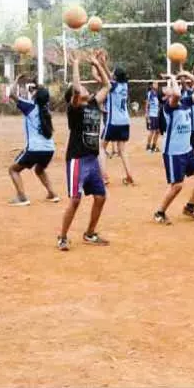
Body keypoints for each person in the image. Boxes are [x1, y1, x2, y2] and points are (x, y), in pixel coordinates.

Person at [59, 51, 111, 250]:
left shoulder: (93, 104)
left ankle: (89, 233)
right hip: (77, 160)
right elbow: (74, 91)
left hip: (91, 159)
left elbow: (107, 86)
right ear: (76, 97)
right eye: (81, 89)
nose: (85, 89)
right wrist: (75, 65)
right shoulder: (74, 110)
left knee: (101, 197)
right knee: (75, 200)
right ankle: (62, 237)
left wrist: (98, 64)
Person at [153, 70, 194, 224]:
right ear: (166, 97)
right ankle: (160, 212)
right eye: (168, 88)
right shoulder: (169, 106)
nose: (171, 88)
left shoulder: (185, 103)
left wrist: (187, 74)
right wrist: (172, 78)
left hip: (187, 150)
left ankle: (190, 207)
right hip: (173, 152)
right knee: (177, 185)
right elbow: (176, 95)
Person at [7, 74, 59, 206]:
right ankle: (52, 194)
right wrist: (36, 84)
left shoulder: (30, 107)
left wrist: (18, 78)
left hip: (35, 149)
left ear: (35, 96)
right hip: (49, 149)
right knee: (39, 170)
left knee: (13, 170)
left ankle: (22, 197)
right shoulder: (46, 110)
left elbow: (11, 94)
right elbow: (42, 94)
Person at [97, 51, 135, 185]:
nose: (111, 73)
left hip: (113, 121)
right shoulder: (124, 85)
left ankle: (104, 177)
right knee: (123, 150)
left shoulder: (112, 86)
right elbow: (110, 77)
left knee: (101, 147)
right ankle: (130, 176)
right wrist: (104, 64)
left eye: (113, 72)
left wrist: (99, 64)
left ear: (115, 76)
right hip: (125, 121)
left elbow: (106, 78)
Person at [145, 81, 161, 153]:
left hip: (157, 115)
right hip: (152, 115)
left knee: (158, 131)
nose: (156, 85)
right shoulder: (150, 93)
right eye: (155, 84)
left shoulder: (157, 94)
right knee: (152, 131)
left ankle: (154, 146)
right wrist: (147, 115)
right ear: (152, 86)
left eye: (157, 84)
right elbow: (147, 104)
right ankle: (148, 146)